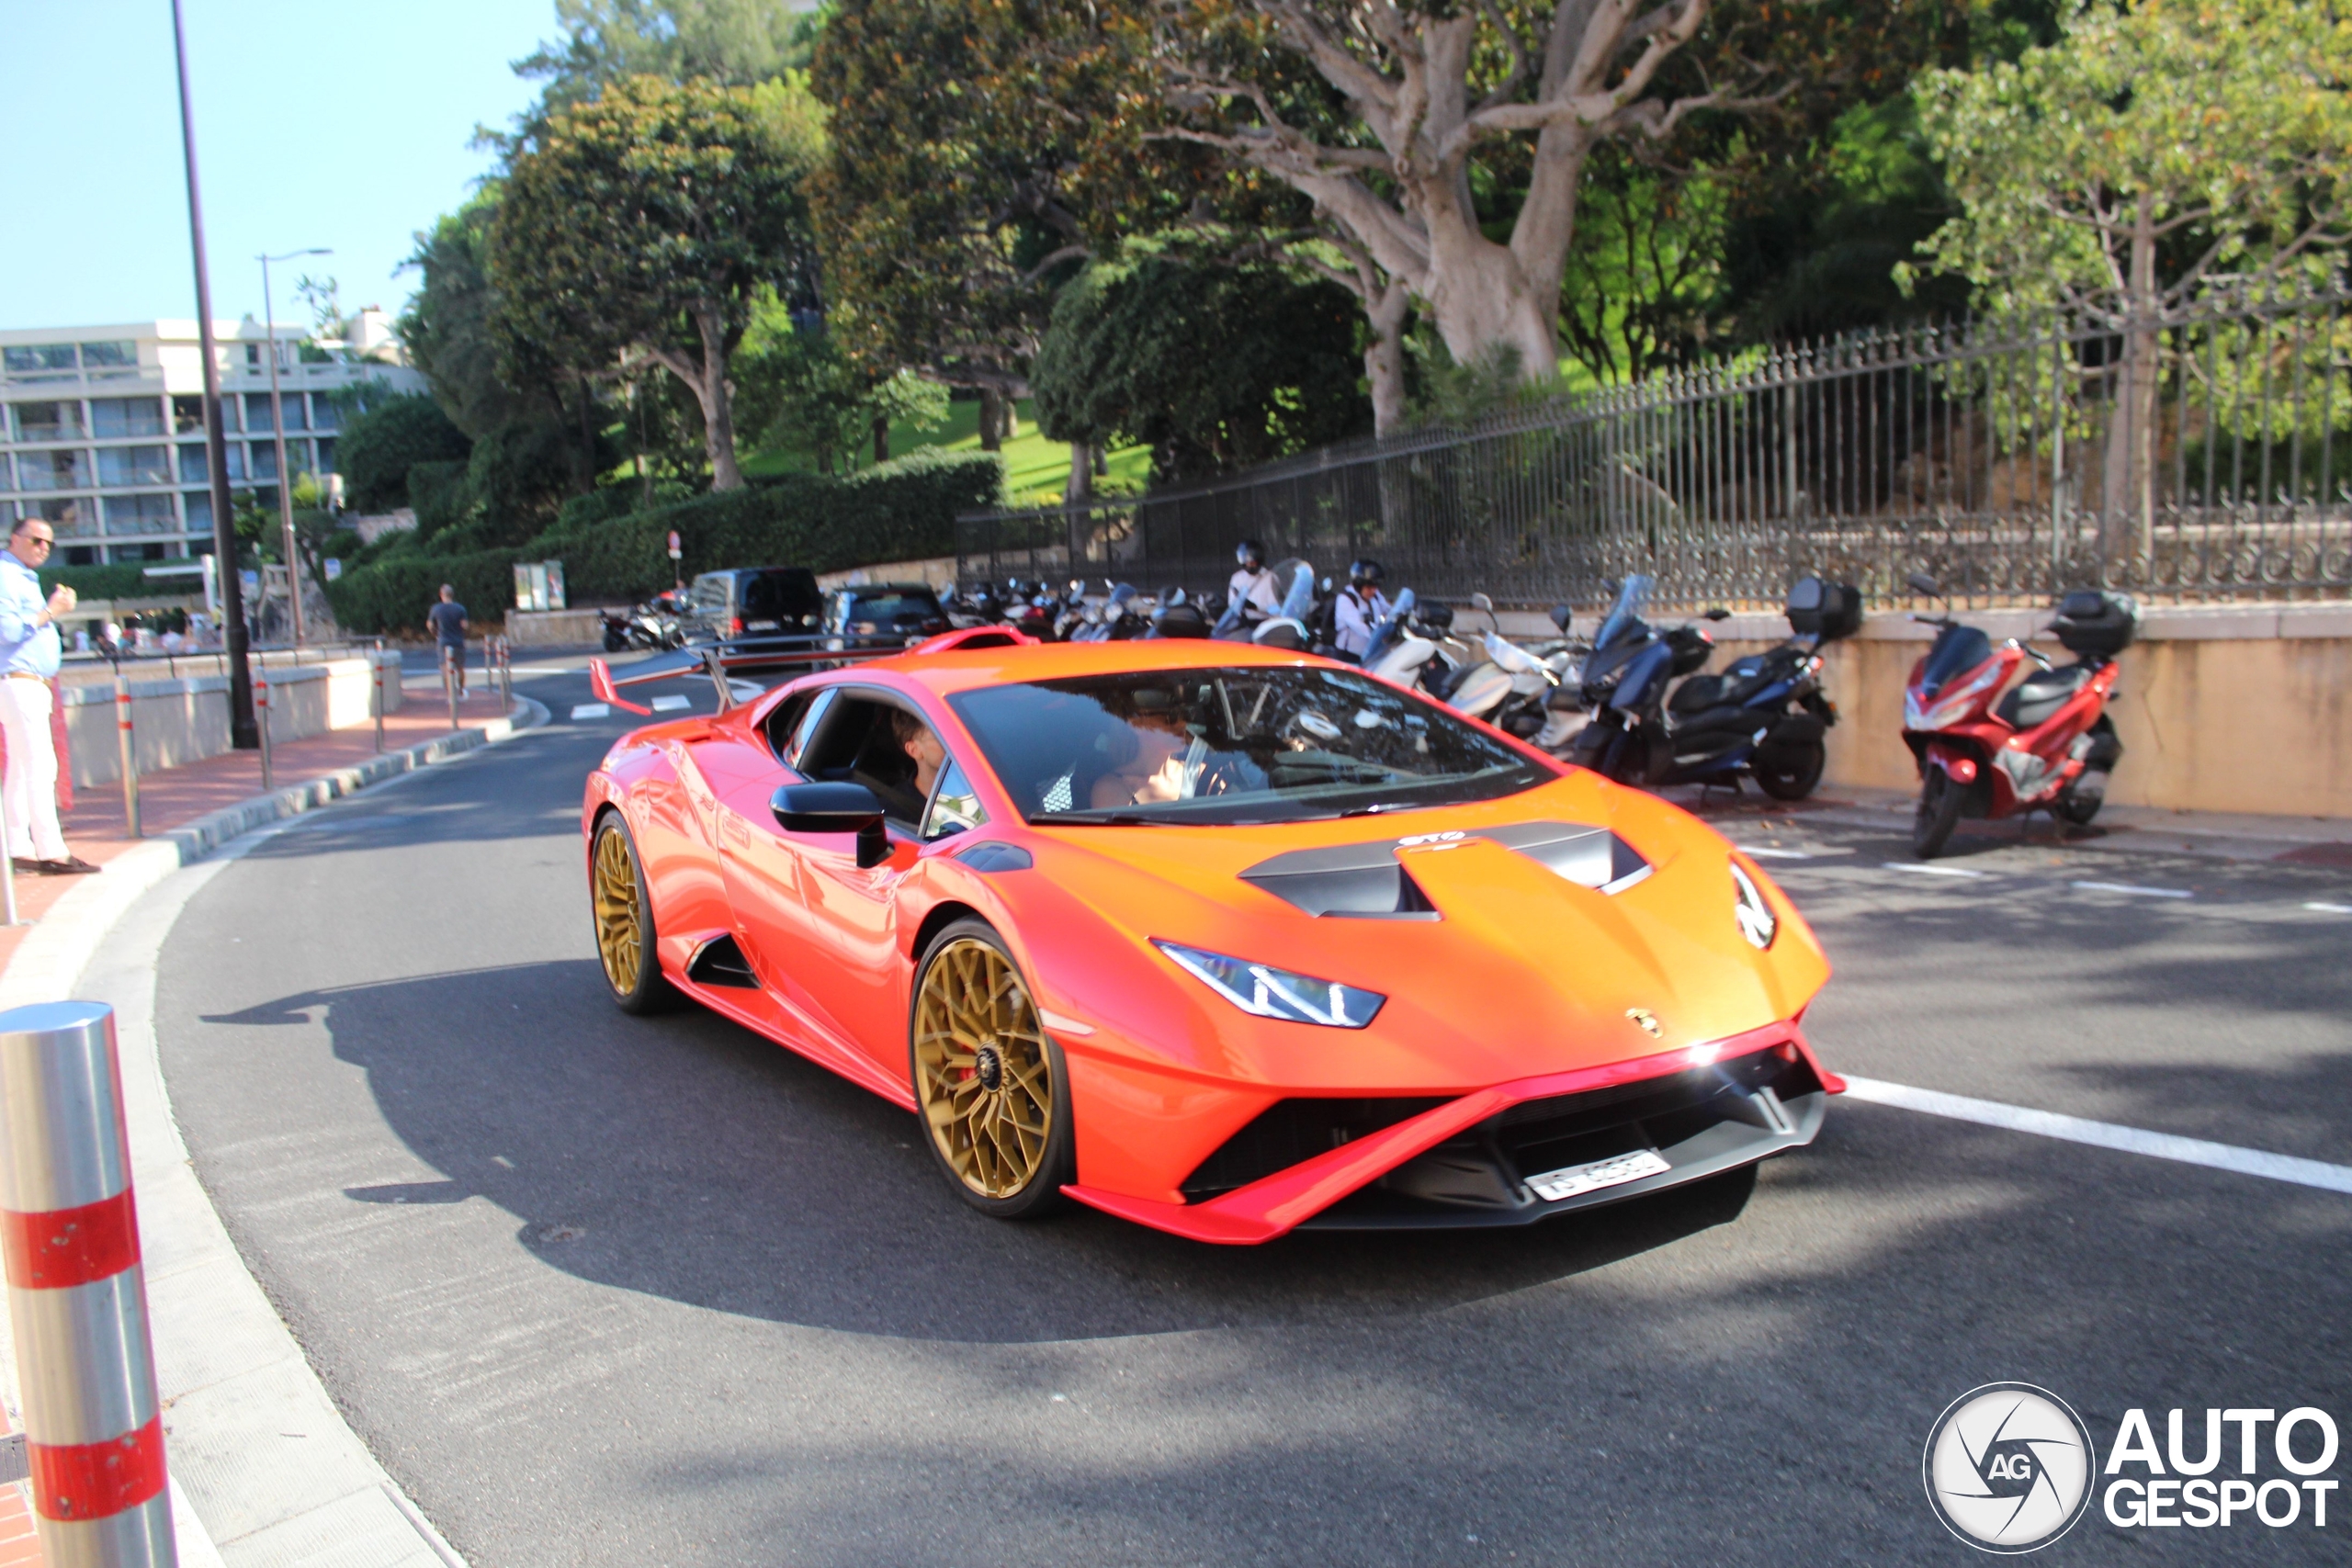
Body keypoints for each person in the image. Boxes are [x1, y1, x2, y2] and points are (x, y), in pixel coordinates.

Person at [0, 517, 96, 875]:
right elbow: (7, 629)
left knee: (23, 768)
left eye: (48, 543)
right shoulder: (6, 575)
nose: (42, 547)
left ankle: (18, 846)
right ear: (15, 538)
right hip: (19, 682)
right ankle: (51, 851)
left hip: (27, 682)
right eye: (36, 540)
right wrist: (53, 611)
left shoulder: (20, 575)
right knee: (40, 767)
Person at [1333, 559, 1393, 660]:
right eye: (1369, 587)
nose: (1373, 591)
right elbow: (1361, 627)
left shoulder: (1375, 595)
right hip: (1348, 656)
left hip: (1370, 653)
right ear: (1358, 585)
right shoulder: (1345, 599)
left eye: (1375, 587)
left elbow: (1389, 609)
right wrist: (1382, 635)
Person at [426, 584, 469, 696]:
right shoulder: (460, 608)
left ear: (441, 595)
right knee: (460, 668)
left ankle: (450, 693)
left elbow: (430, 625)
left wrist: (435, 633)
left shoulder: (436, 608)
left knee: (445, 669)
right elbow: (465, 625)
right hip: (458, 641)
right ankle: (460, 690)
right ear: (452, 595)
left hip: (443, 641)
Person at [1225, 541, 1281, 626]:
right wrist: (1239, 604)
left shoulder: (1270, 578)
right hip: (1244, 623)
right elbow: (1231, 605)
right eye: (1247, 564)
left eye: (1252, 563)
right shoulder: (1237, 578)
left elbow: (1277, 608)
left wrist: (1256, 607)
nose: (1250, 566)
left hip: (1266, 623)